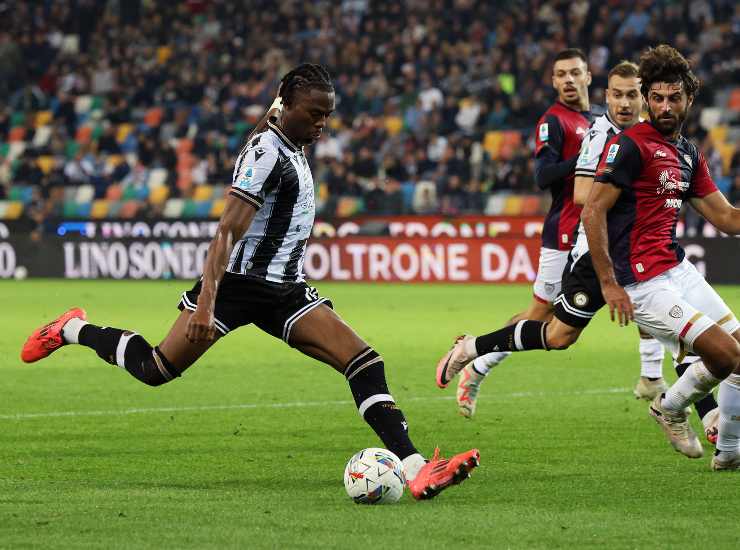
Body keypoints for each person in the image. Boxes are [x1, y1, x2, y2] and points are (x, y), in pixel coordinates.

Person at [20, 63, 480, 496]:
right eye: (315, 113)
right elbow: (227, 230)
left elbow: (271, 125)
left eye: (328, 115)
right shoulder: (265, 154)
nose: (322, 124)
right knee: (156, 369)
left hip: (285, 289)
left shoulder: (286, 139)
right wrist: (204, 304)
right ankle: (71, 329)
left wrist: (277, 109)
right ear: (287, 105)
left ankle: (417, 469)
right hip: (234, 288)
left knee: (364, 362)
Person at [440, 61, 720, 440]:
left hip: (634, 252)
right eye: (618, 95)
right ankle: (477, 358)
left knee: (680, 331)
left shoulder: (659, 141)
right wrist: (625, 182)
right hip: (585, 246)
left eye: (633, 95)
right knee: (553, 329)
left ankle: (690, 407)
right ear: (607, 96)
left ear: (644, 98)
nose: (625, 103)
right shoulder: (602, 135)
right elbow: (583, 197)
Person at [581, 45, 740, 470]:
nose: (664, 107)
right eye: (656, 97)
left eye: (673, 98)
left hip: (676, 268)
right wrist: (609, 283)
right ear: (647, 98)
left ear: (690, 97)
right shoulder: (630, 146)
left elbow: (726, 218)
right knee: (723, 356)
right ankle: (669, 406)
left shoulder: (688, 153)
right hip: (640, 282)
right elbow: (592, 209)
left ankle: (729, 453)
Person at [436, 49, 595, 394]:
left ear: (588, 76)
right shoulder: (553, 121)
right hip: (565, 231)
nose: (569, 80)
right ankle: (476, 361)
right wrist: (585, 159)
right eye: (561, 74)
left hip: (597, 229)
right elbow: (542, 176)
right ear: (553, 81)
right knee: (540, 318)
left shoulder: (599, 119)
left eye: (575, 73)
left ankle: (658, 380)